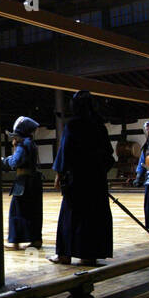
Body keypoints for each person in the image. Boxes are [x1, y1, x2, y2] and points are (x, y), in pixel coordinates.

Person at [50, 91, 113, 266]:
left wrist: (59, 175)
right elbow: (109, 156)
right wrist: (97, 172)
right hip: (96, 181)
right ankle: (89, 255)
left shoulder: (73, 125)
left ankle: (64, 255)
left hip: (76, 181)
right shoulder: (99, 126)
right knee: (93, 217)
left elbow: (65, 152)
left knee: (70, 217)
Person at [3, 116, 43, 249]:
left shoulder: (22, 144)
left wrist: (5, 160)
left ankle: (15, 241)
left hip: (23, 182)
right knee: (34, 212)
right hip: (34, 182)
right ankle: (36, 240)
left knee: (16, 211)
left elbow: (16, 162)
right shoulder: (31, 143)